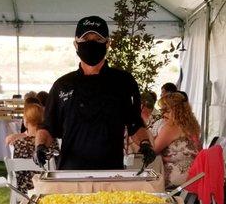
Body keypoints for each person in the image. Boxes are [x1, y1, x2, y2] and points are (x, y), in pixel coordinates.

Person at [34, 16, 155, 170]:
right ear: (76, 44)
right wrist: (40, 146)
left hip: (111, 170)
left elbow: (134, 124)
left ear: (108, 43)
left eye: (97, 39)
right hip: (70, 171)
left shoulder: (124, 82)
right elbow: (48, 127)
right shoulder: (62, 85)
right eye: (85, 39)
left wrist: (145, 144)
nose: (91, 44)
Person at [6, 103, 58, 193]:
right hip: (49, 188)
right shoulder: (53, 142)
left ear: (25, 121)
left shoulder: (17, 144)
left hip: (24, 190)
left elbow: (15, 174)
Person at [154, 93, 201, 189]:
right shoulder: (191, 124)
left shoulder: (171, 127)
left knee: (143, 179)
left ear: (176, 110)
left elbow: (152, 151)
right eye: (161, 110)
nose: (162, 114)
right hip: (195, 175)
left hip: (177, 176)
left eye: (166, 110)